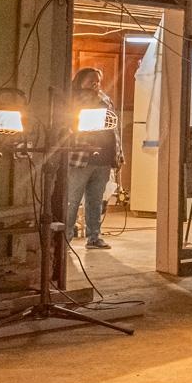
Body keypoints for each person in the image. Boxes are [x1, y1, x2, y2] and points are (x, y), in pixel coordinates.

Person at [63, 67, 122, 249]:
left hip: (103, 158)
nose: (95, 84)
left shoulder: (105, 98)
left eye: (98, 80)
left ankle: (94, 237)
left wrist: (118, 155)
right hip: (81, 159)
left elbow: (114, 129)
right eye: (90, 81)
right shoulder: (73, 99)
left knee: (96, 200)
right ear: (80, 82)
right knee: (72, 199)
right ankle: (65, 238)